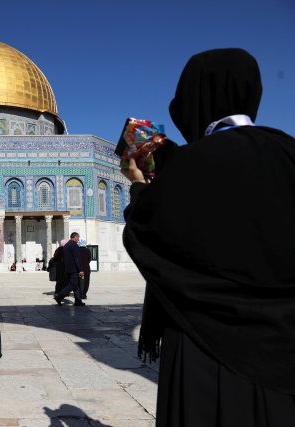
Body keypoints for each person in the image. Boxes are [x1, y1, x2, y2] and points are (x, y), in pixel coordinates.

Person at [121, 48, 295, 425]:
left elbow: (148, 238)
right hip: (286, 351)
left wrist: (138, 187)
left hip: (203, 349)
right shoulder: (289, 153)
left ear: (191, 99)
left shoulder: (188, 166)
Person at [53, 232, 84, 306]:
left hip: (68, 269)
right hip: (74, 269)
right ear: (75, 237)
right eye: (78, 237)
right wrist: (81, 270)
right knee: (73, 285)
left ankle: (78, 301)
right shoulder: (74, 245)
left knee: (76, 286)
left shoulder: (66, 245)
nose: (78, 239)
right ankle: (59, 296)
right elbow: (77, 258)